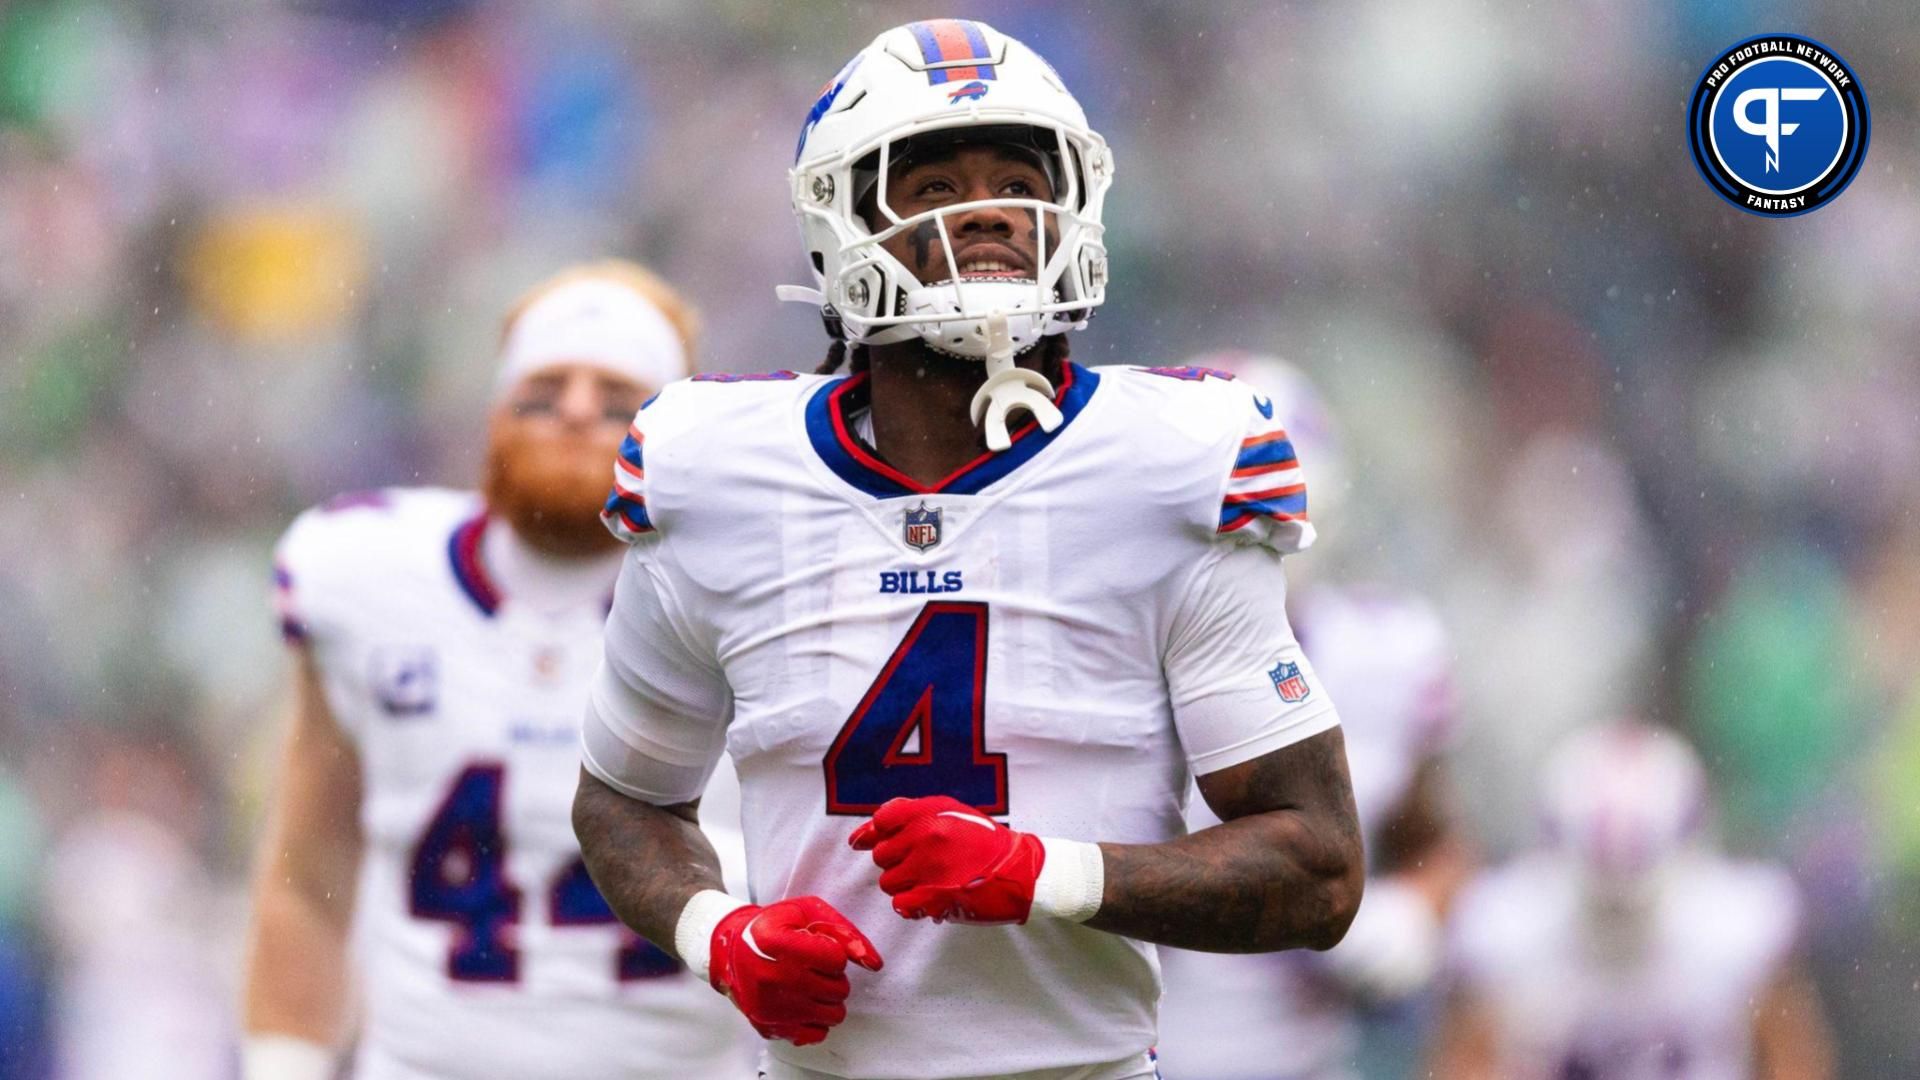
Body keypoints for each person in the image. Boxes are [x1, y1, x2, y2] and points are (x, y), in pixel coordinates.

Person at [571, 20, 1364, 1080]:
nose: (989, 206)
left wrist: (1045, 873)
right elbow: (625, 796)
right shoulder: (717, 471)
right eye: (934, 182)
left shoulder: (1170, 462)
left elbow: (1318, 871)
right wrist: (718, 933)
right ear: (842, 224)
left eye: (1017, 177)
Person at [241, 261, 755, 1080]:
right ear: (494, 410)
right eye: (546, 385)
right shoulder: (365, 575)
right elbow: (310, 874)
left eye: (616, 392)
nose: (579, 408)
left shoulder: (741, 596)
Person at [1155, 354, 1474, 1080]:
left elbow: (1439, 843)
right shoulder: (1082, 671)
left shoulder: (1388, 654)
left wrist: (1416, 909)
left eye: (1265, 525)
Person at [1427, 722, 1836, 1080]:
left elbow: (1794, 1064)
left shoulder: (1739, 929)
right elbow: (1463, 1066)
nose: (1617, 910)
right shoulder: (1505, 933)